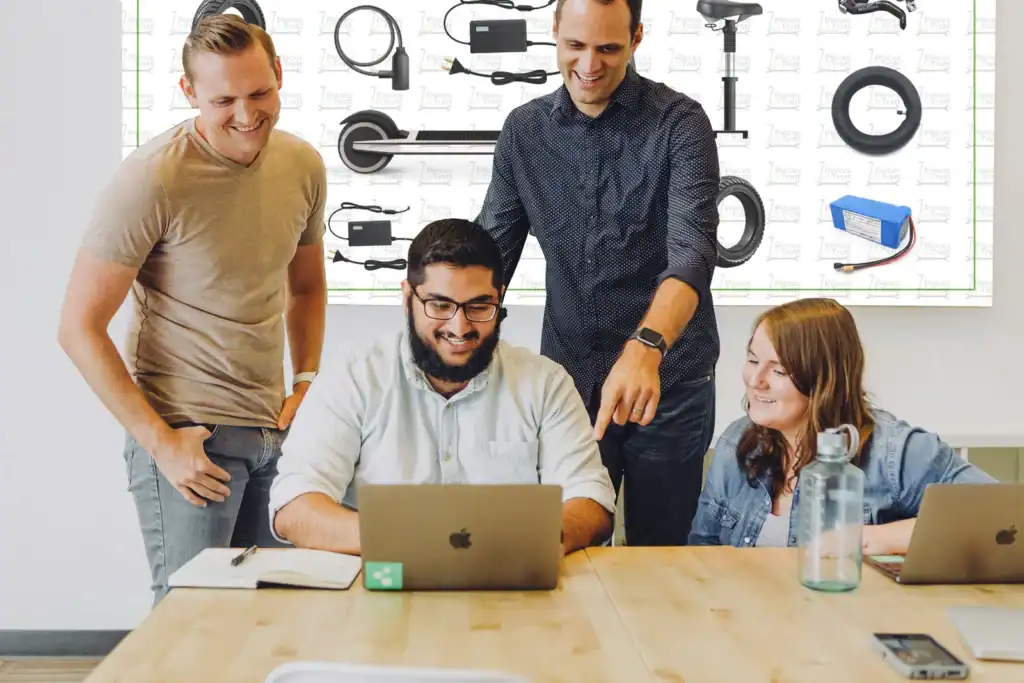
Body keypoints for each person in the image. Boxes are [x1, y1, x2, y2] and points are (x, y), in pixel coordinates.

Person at [57, 15, 328, 603]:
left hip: (270, 434)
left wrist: (305, 380)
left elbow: (305, 287)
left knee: (272, 614)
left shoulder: (302, 165)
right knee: (191, 622)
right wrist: (160, 442)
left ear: (279, 73)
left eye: (260, 93)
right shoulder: (152, 178)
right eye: (223, 99)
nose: (246, 113)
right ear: (189, 92)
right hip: (190, 439)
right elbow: (78, 327)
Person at [475, 0, 720, 546]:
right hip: (569, 382)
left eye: (608, 48)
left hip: (669, 378)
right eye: (575, 47)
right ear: (554, 33)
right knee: (565, 548)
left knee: (661, 557)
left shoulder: (680, 124)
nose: (589, 65)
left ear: (636, 38)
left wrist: (645, 348)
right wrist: (438, 310)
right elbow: (490, 252)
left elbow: (692, 252)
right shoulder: (524, 132)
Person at [269, 219, 616, 555]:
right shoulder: (353, 377)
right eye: (440, 305)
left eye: (480, 306)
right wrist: (411, 542)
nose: (459, 326)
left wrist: (538, 539)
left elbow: (591, 499)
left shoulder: (546, 384)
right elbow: (294, 505)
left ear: (500, 298)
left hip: (511, 594)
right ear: (407, 298)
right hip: (379, 586)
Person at [688, 298, 997, 553]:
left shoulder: (896, 453)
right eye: (753, 361)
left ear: (824, 380)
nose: (755, 382)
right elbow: (703, 554)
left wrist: (871, 539)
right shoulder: (736, 442)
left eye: (779, 371)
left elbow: (999, 520)